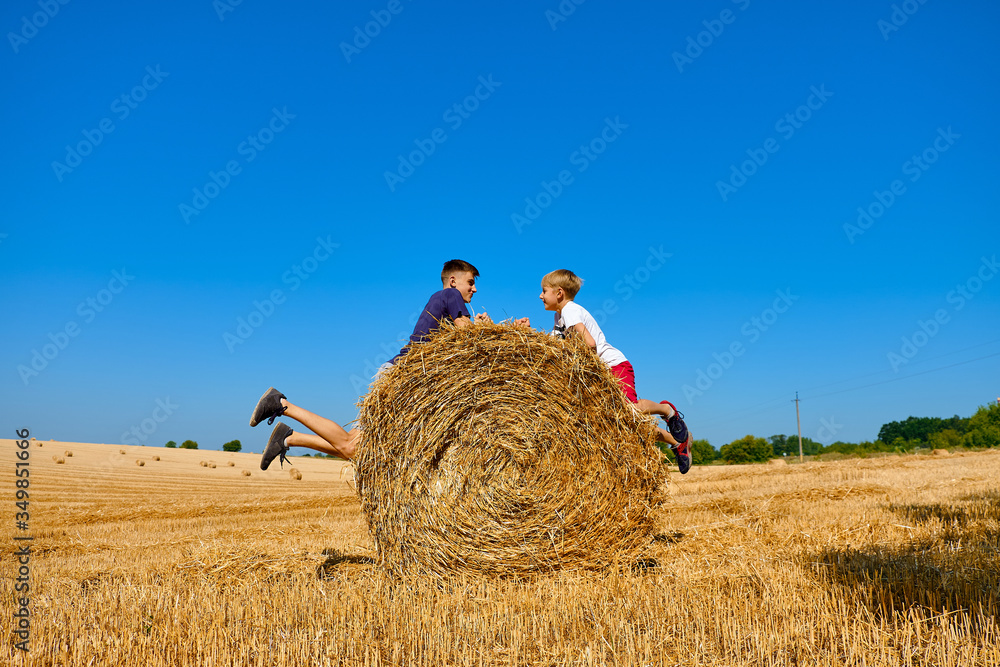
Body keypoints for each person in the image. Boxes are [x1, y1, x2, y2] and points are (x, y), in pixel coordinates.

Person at [249, 259, 489, 470]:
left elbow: (458, 340)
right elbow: (467, 333)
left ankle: (289, 438)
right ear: (454, 281)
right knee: (353, 447)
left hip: (403, 378)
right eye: (471, 282)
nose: (474, 289)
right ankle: (281, 404)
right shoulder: (450, 295)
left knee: (361, 451)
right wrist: (490, 330)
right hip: (402, 378)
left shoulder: (441, 302)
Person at [520, 269, 692, 473]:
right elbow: (555, 348)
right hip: (600, 373)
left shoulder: (570, 310)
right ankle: (677, 442)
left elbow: (590, 345)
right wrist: (528, 334)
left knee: (629, 410)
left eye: (543, 291)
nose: (540, 295)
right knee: (624, 422)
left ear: (559, 293)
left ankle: (668, 411)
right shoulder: (560, 317)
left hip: (613, 366)